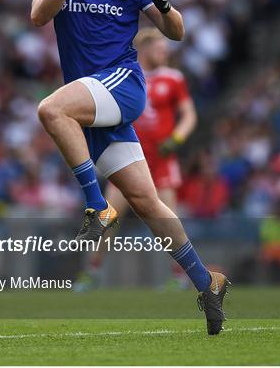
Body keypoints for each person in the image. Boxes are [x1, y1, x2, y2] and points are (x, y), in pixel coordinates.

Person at [31, 0, 229, 335]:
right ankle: (207, 283)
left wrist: (164, 3)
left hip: (121, 87)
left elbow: (175, 32)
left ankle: (97, 207)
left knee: (50, 110)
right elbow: (39, 16)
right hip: (90, 104)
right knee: (147, 202)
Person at [74, 28, 198, 291]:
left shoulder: (173, 78)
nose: (165, 53)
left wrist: (176, 138)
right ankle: (92, 271)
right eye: (161, 48)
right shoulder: (127, 75)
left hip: (162, 160)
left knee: (167, 218)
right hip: (128, 158)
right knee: (108, 216)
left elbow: (189, 115)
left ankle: (180, 274)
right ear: (146, 48)